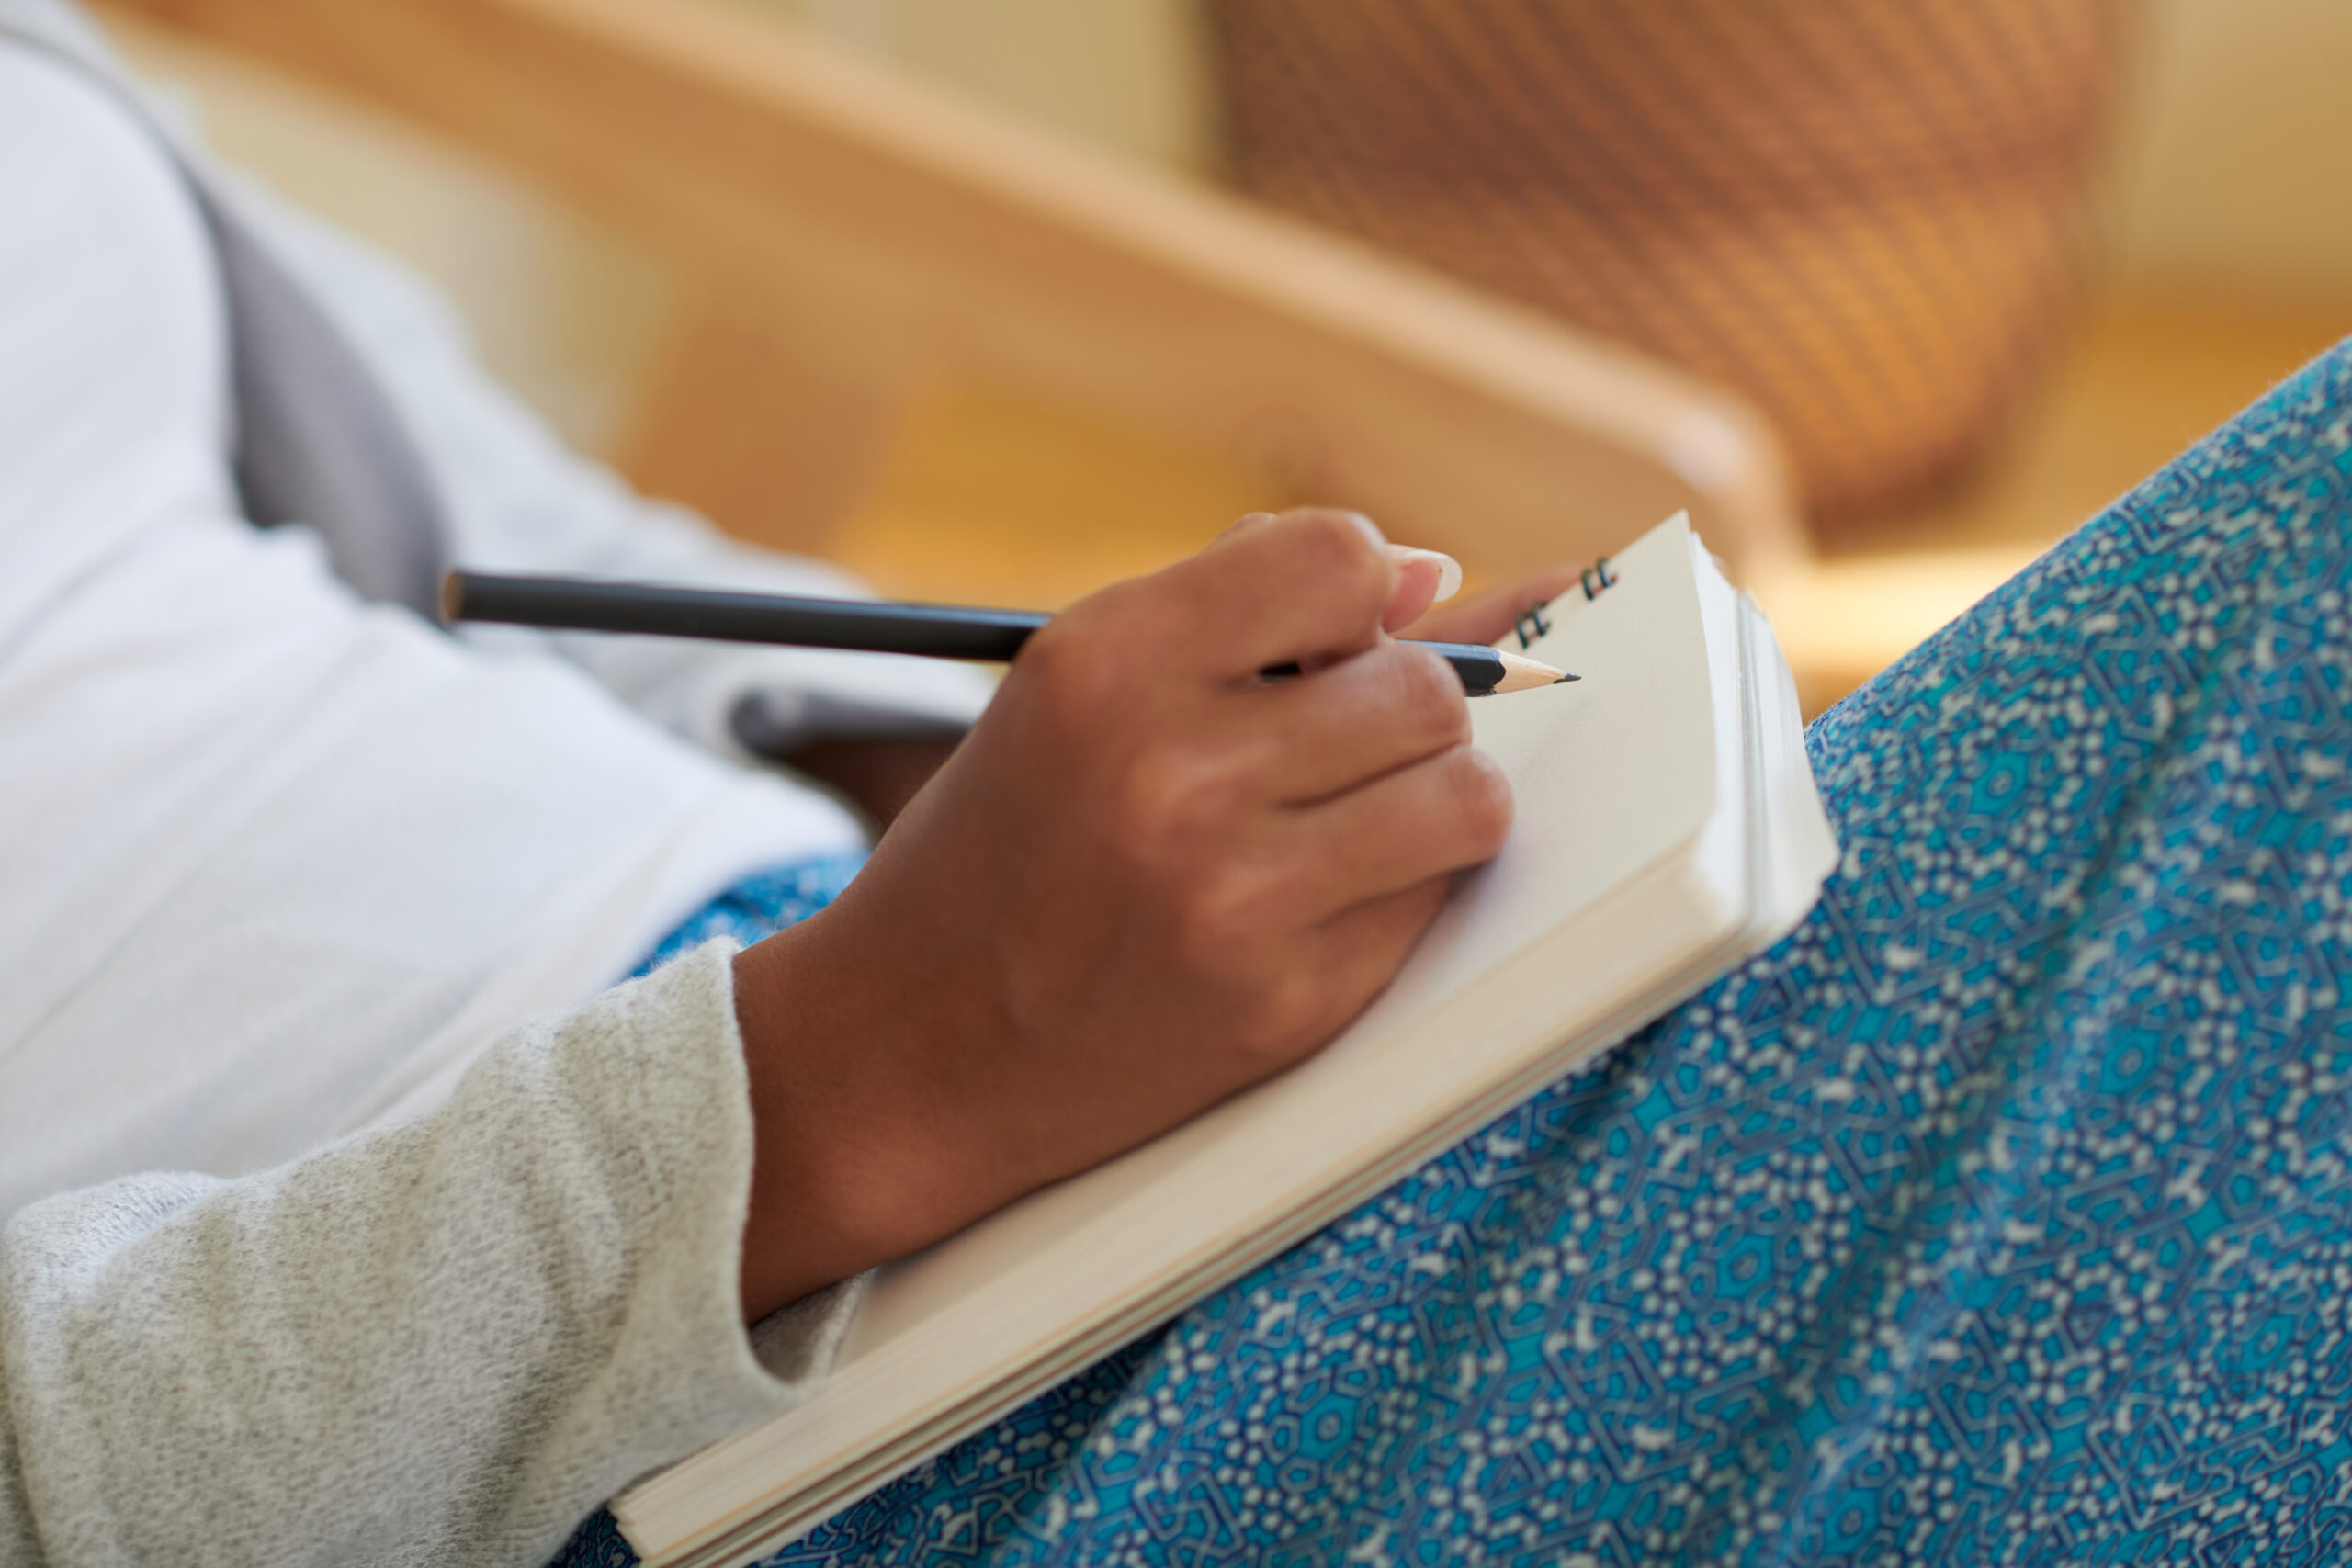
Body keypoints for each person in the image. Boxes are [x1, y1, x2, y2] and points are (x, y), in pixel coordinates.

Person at [8, 12, 2352, 1568]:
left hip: (930, 1052)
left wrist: (1080, 800)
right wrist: (832, 1089)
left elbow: (493, 556)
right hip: (672, 1412)